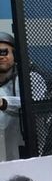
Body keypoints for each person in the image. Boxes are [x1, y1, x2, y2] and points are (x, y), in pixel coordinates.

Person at [0, 32, 24, 162]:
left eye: (5, 52)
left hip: (23, 152)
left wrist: (4, 103)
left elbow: (31, 104)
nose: (1, 57)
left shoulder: (29, 77)